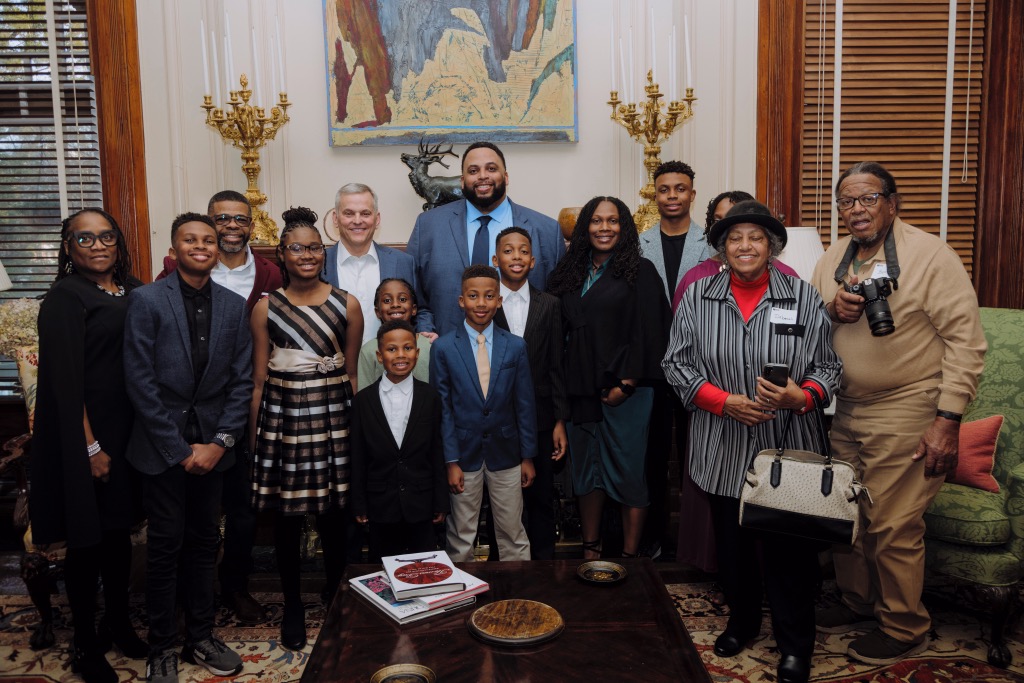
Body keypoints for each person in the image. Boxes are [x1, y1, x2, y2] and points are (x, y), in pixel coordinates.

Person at [810, 162, 986, 665]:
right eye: (847, 201)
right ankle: (858, 601)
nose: (857, 209)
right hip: (847, 407)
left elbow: (966, 344)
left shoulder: (930, 255)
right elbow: (810, 322)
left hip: (908, 404)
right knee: (846, 513)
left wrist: (947, 421)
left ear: (892, 202)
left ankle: (904, 626)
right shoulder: (833, 257)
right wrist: (831, 310)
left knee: (892, 523)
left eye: (868, 198)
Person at [662, 200, 842, 683]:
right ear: (722, 248)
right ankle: (741, 623)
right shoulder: (698, 296)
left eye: (755, 237)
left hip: (787, 446)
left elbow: (829, 367)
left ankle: (795, 644)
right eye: (735, 238)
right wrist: (723, 402)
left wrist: (802, 397)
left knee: (788, 555)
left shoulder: (801, 296)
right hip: (722, 444)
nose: (745, 246)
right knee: (734, 550)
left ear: (771, 246)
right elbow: (675, 364)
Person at [124, 213, 251, 683]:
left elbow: (241, 382)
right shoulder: (146, 300)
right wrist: (178, 450)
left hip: (214, 451)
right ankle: (161, 647)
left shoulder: (234, 306)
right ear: (174, 249)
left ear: (218, 249)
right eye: (190, 239)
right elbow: (139, 381)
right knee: (164, 547)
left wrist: (219, 443)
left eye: (209, 240)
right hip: (161, 450)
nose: (201, 246)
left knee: (204, 543)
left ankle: (201, 636)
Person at [30, 209, 145, 683]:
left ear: (118, 242)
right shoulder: (65, 297)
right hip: (86, 437)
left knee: (118, 537)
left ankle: (116, 623)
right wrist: (91, 448)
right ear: (68, 247)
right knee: (87, 543)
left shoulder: (133, 290)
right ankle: (83, 642)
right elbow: (64, 382)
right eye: (85, 238)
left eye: (106, 236)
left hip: (129, 435)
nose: (98, 245)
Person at [156, 190, 281, 624]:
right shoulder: (172, 273)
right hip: (187, 415)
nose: (231, 226)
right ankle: (185, 594)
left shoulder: (270, 274)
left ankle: (235, 587)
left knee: (243, 509)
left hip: (247, 405)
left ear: (252, 225)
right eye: (222, 218)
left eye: (240, 219)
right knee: (187, 514)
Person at [249, 206, 363, 651]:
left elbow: (352, 374)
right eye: (297, 248)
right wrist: (256, 439)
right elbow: (259, 380)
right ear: (282, 254)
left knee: (335, 517)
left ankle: (335, 594)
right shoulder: (266, 308)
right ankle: (293, 604)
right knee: (288, 520)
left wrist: (355, 434)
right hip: (285, 421)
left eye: (315, 247)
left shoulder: (347, 304)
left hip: (334, 419)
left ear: (324, 252)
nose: (307, 255)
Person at [546, 196, 670, 559]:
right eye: (596, 221)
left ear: (624, 227)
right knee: (587, 473)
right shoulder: (568, 272)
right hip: (580, 390)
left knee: (629, 472)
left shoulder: (641, 271)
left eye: (613, 221)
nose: (604, 228)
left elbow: (651, 331)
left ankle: (631, 557)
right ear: (585, 227)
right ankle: (591, 549)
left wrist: (626, 385)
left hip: (627, 392)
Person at [430, 264, 537, 561]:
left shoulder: (515, 346)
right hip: (463, 455)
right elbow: (443, 409)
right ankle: (461, 589)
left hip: (507, 454)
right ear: (461, 300)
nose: (481, 303)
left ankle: (516, 588)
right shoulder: (443, 348)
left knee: (513, 533)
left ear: (499, 301)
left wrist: (528, 456)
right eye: (473, 296)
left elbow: (524, 404)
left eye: (489, 296)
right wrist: (450, 460)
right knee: (461, 535)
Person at [407, 141, 564, 337]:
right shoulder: (428, 226)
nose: (482, 176)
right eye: (473, 171)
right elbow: (412, 293)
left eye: (491, 168)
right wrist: (425, 330)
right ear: (462, 181)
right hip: (446, 347)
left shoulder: (546, 231)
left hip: (524, 350)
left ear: (506, 177)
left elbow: (558, 302)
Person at [638, 161, 713, 559]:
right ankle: (654, 538)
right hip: (651, 368)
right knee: (651, 457)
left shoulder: (712, 245)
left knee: (694, 455)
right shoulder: (638, 244)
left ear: (692, 195)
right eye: (664, 189)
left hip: (699, 368)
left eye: (680, 189)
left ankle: (694, 540)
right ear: (655, 194)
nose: (672, 196)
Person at [491, 227, 568, 560]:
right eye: (508, 251)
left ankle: (544, 566)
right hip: (496, 419)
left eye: (523, 251)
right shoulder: (485, 303)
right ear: (495, 260)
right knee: (500, 500)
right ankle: (500, 568)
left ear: (533, 261)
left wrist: (559, 420)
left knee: (540, 497)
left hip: (539, 417)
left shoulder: (549, 305)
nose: (516, 257)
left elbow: (556, 365)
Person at [350, 320, 448, 561]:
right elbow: (358, 455)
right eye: (392, 349)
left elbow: (437, 451)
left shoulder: (430, 397)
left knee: (423, 568)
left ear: (417, 352)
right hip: (380, 504)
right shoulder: (363, 401)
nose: (400, 355)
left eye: (407, 348)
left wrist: (441, 501)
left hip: (421, 502)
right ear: (379, 356)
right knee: (382, 568)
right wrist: (359, 503)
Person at [672, 191, 800, 311]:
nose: (745, 246)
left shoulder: (790, 280)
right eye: (718, 221)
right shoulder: (694, 283)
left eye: (755, 237)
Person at [324, 183, 417, 344]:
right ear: (335, 218)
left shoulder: (403, 262)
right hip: (336, 359)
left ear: (377, 219)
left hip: (390, 358)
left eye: (365, 213)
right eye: (349, 213)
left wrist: (426, 331)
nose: (357, 221)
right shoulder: (319, 264)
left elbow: (421, 310)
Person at [356, 278, 432, 386]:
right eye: (387, 301)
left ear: (414, 309)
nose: (395, 304)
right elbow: (364, 392)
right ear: (377, 312)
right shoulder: (368, 351)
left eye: (402, 299)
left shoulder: (430, 346)